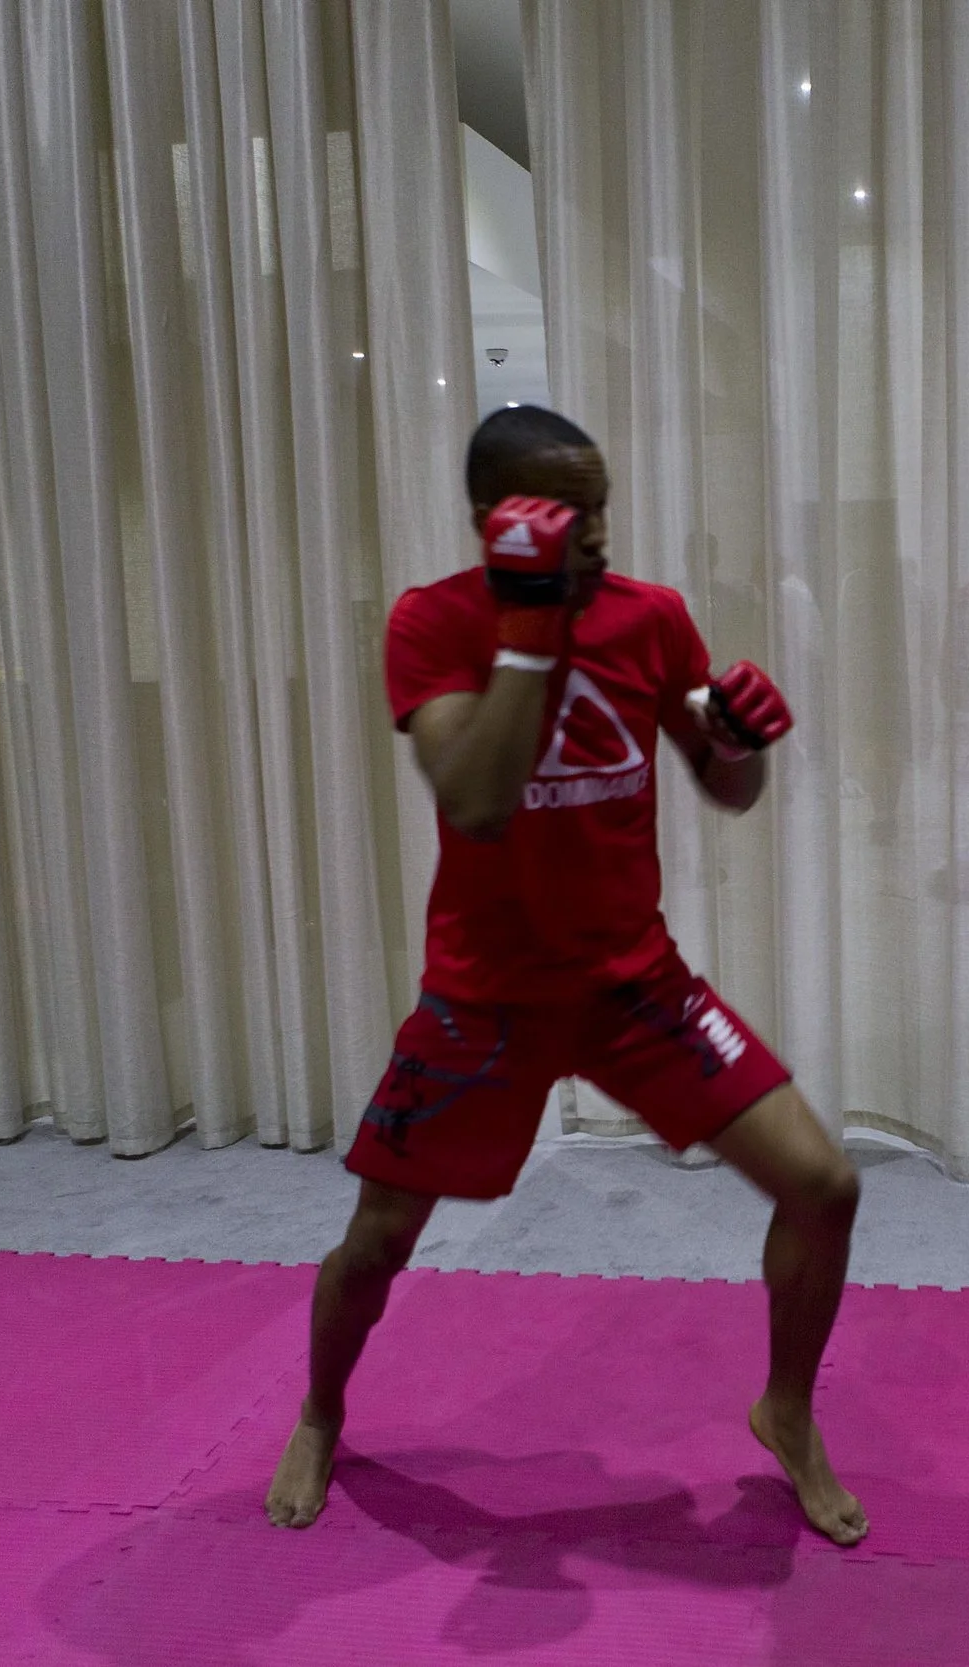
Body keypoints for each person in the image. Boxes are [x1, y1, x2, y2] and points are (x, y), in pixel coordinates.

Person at [262, 405, 869, 1547]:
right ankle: (319, 1408)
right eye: (562, 513)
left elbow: (724, 791)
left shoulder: (651, 618)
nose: (591, 536)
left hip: (636, 987)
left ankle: (784, 1408)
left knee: (824, 1185)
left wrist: (737, 742)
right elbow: (478, 796)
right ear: (496, 519)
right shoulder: (432, 622)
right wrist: (528, 633)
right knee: (382, 1234)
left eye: (598, 510)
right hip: (482, 998)